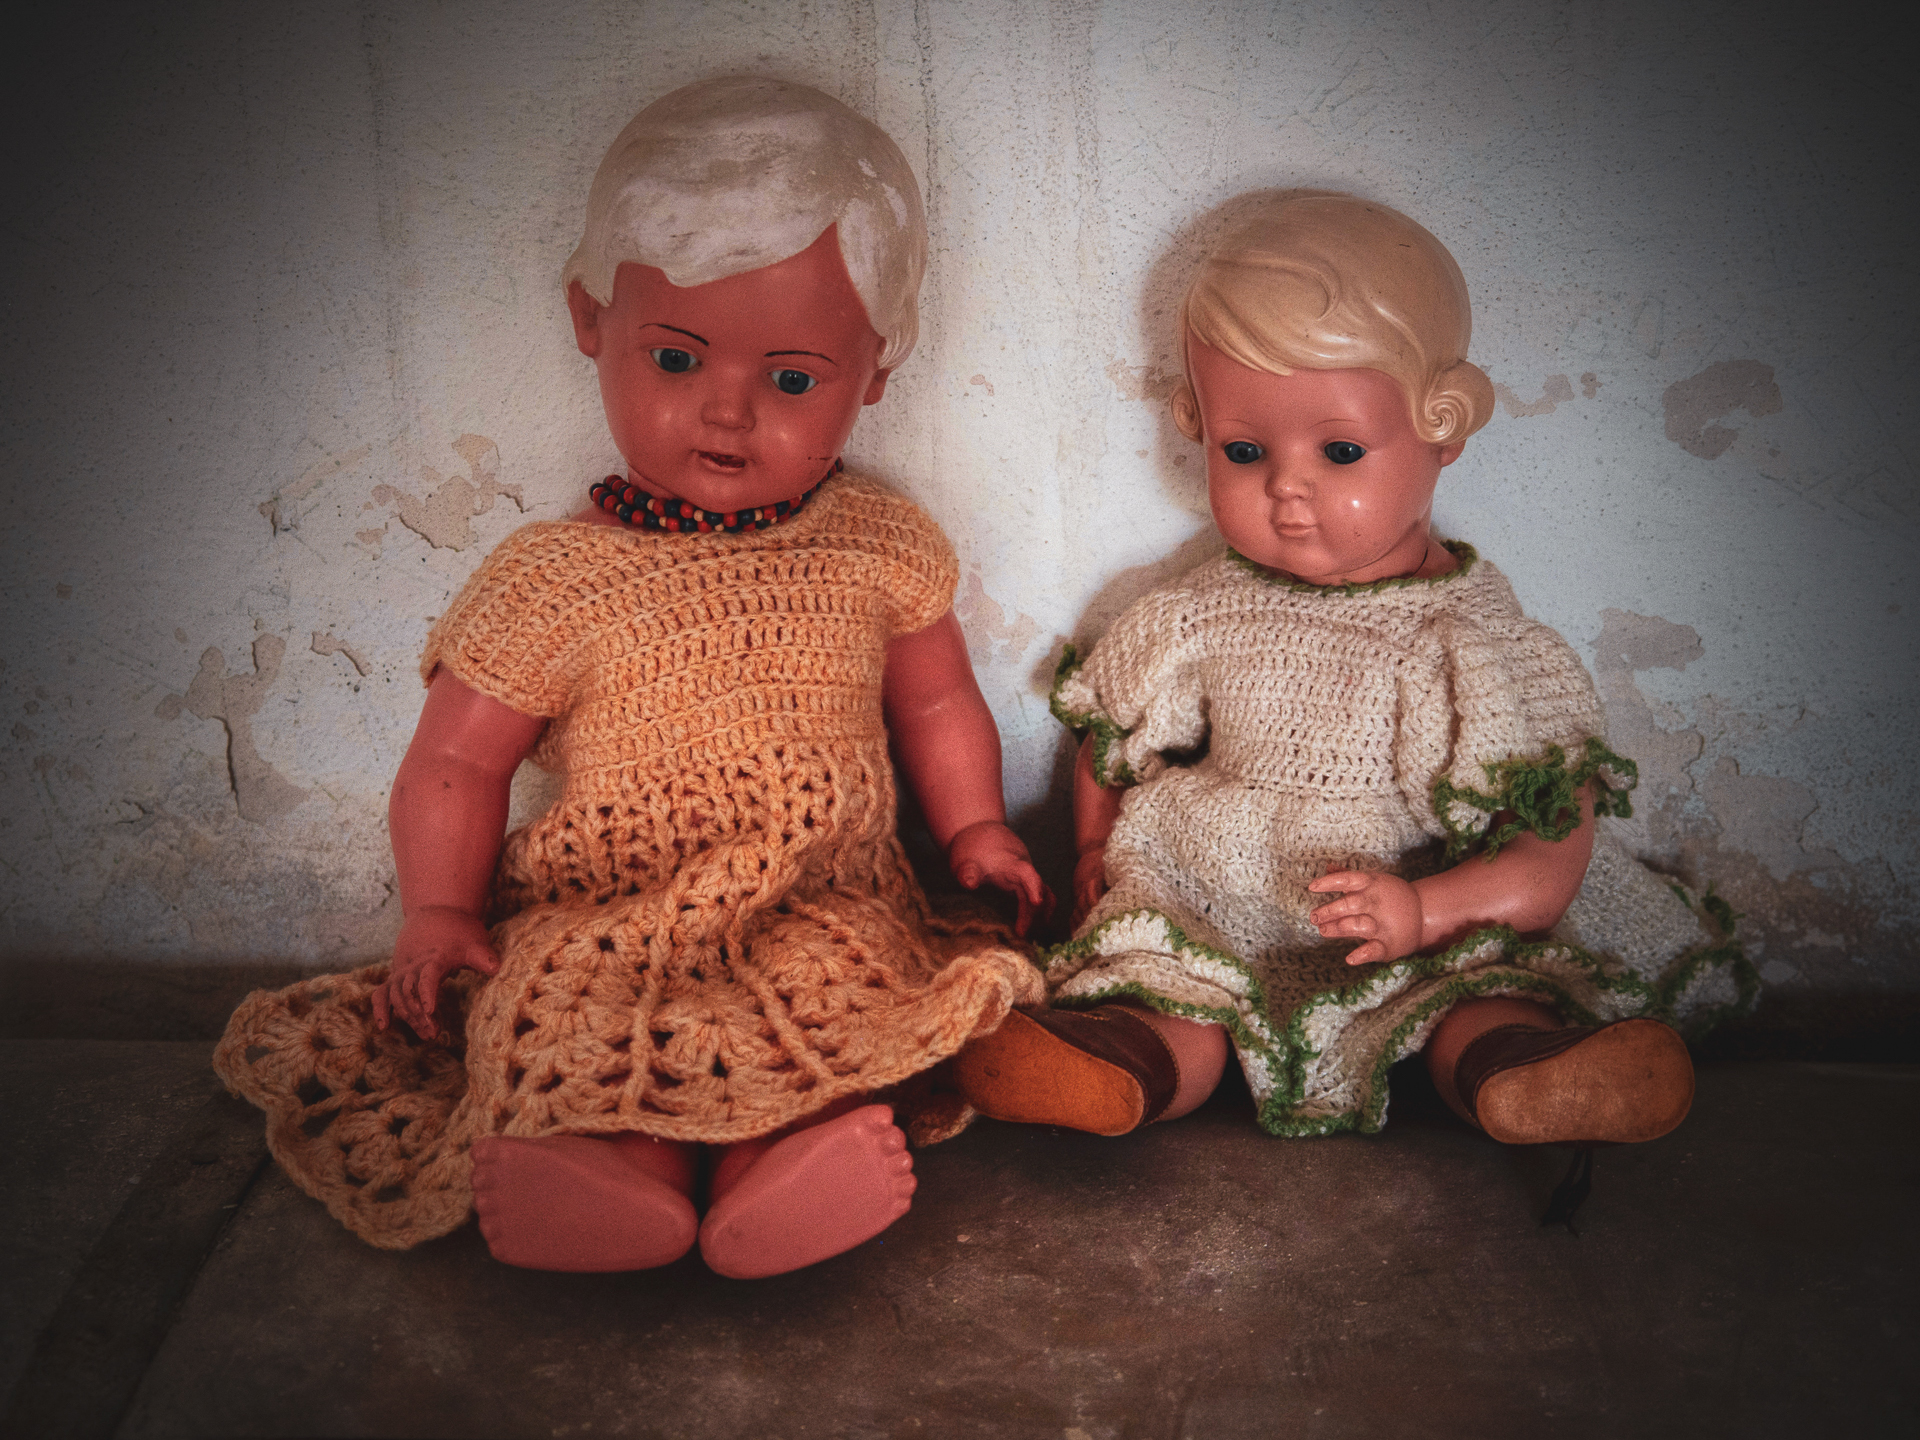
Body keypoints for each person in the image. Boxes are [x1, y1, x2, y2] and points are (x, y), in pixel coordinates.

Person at [216, 76, 1049, 1278]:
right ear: (590, 320)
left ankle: (783, 1167)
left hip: (815, 892)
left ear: (877, 369)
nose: (727, 411)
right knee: (559, 1012)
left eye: (793, 379)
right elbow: (457, 760)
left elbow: (933, 699)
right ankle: (616, 1174)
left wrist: (972, 825)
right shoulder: (555, 579)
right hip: (604, 909)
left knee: (833, 996)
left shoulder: (878, 543)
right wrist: (440, 910)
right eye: (675, 357)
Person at [954, 193, 1752, 1181]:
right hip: (1218, 899)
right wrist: (1091, 849)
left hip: (1416, 916)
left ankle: (1526, 1072)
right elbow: (1115, 736)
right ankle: (1119, 1064)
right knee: (1169, 987)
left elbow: (1552, 848)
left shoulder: (1473, 645)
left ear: (1442, 428)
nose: (1286, 488)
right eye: (1244, 451)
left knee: (1477, 998)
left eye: (1339, 452)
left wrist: (1428, 911)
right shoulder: (1200, 611)